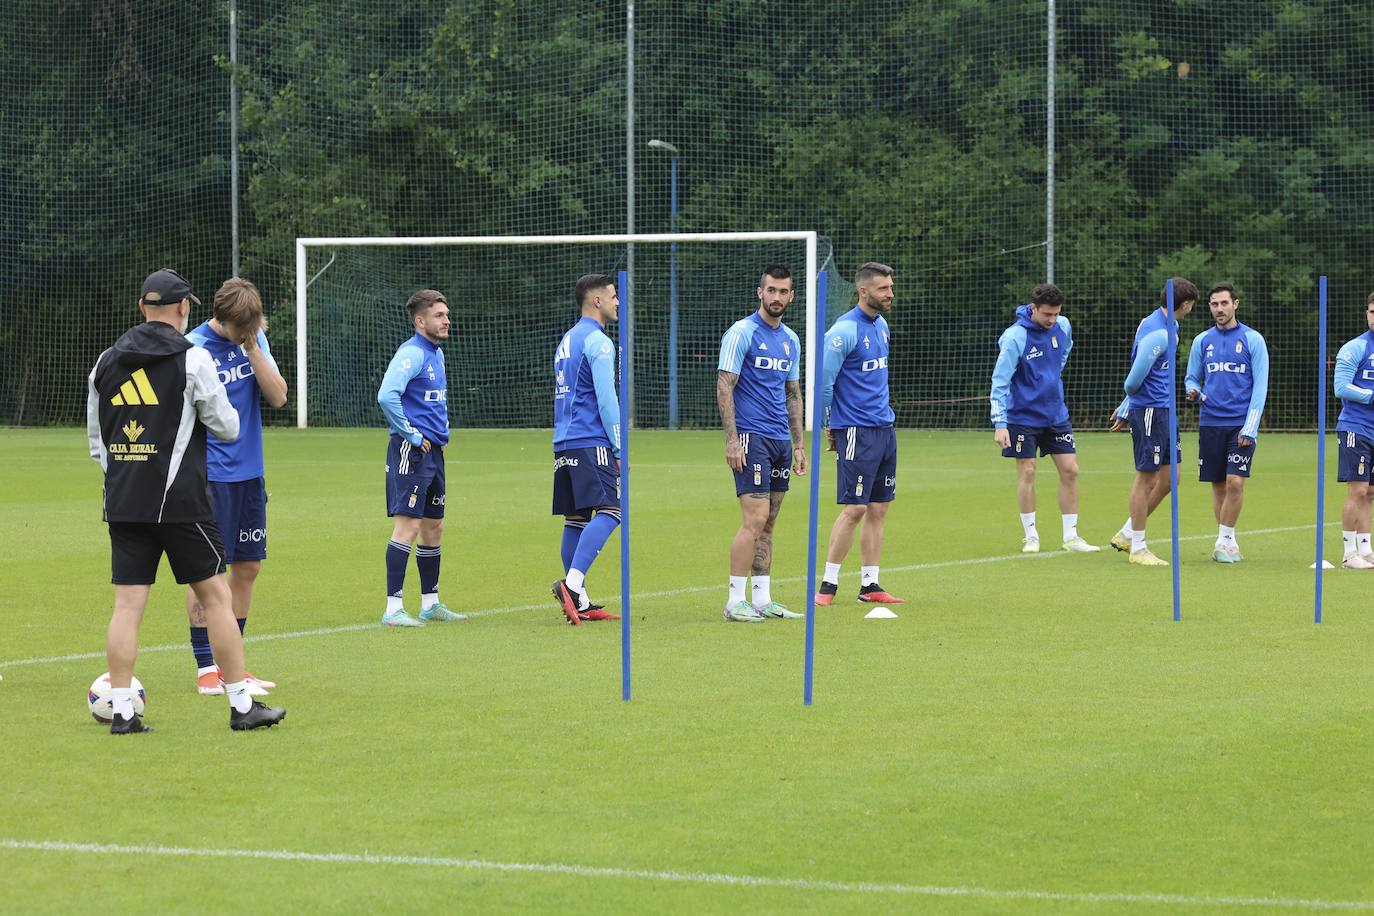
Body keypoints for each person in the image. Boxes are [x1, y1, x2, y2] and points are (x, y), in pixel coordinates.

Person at [86, 268, 285, 733]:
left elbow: (98, 442)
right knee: (217, 598)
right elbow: (228, 427)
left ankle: (122, 712)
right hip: (181, 501)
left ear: (141, 308)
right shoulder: (193, 359)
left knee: (127, 606)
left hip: (124, 501)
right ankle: (240, 706)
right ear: (183, 308)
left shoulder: (105, 361)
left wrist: (127, 476)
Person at [184, 277, 288, 695]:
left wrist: (251, 347)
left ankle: (234, 665)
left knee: (248, 567)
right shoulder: (192, 348)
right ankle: (207, 669)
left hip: (250, 474)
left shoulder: (254, 337)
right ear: (220, 317)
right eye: (240, 329)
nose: (248, 333)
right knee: (208, 574)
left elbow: (279, 396)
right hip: (209, 478)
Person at [716, 265, 808, 622]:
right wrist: (731, 441)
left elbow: (793, 393)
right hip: (750, 437)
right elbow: (725, 385)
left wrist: (798, 445)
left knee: (770, 521)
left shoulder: (791, 340)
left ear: (791, 296)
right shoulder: (742, 332)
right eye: (771, 290)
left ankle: (762, 599)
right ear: (760, 292)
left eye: (783, 292)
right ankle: (734, 601)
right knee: (754, 519)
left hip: (780, 441)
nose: (777, 297)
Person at [814, 262, 904, 607]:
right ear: (863, 290)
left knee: (879, 508)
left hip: (884, 429)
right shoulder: (843, 331)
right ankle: (827, 586)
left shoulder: (881, 326)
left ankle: (870, 585)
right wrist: (829, 425)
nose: (890, 294)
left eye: (891, 287)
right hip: (856, 429)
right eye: (883, 288)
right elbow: (824, 384)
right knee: (855, 507)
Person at [376, 290, 466, 626]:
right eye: (439, 315)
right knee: (408, 526)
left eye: (446, 314)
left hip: (434, 453)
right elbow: (387, 395)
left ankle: (430, 603)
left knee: (434, 527)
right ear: (420, 321)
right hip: (411, 451)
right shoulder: (411, 353)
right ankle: (393, 608)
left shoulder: (436, 354)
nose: (446, 320)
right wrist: (412, 434)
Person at [989, 283, 1099, 554]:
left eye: (1056, 314)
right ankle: (1031, 536)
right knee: (1027, 470)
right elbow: (1000, 381)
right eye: (1047, 314)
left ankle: (1071, 537)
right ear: (1034, 308)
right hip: (1022, 417)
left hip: (1055, 413)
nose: (1052, 320)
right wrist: (1000, 423)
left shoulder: (1063, 325)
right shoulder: (1014, 337)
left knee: (1071, 470)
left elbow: (1063, 353)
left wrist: (1049, 380)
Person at [1107, 277, 1200, 566]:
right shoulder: (1157, 333)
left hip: (1165, 410)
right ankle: (1138, 548)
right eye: (1191, 306)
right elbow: (1133, 381)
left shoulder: (1171, 326)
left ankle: (1126, 532)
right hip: (1149, 411)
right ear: (1185, 304)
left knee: (1171, 478)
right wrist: (1129, 405)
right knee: (1146, 477)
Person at [550, 274, 624, 625]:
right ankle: (573, 584)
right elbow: (607, 399)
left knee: (576, 518)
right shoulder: (599, 342)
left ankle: (579, 601)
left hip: (564, 441)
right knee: (612, 511)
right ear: (596, 301)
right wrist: (619, 447)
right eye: (613, 296)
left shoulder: (567, 339)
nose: (617, 302)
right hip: (590, 439)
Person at [1183, 282, 1269, 563]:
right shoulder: (1202, 341)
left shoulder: (1253, 340)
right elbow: (1191, 377)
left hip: (1240, 424)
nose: (1219, 309)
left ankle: (1225, 540)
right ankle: (1227, 541)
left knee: (1235, 482)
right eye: (1214, 304)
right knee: (1219, 485)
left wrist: (1250, 427)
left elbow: (1260, 388)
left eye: (1224, 303)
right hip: (1210, 423)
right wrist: (1193, 390)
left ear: (1236, 304)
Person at [1332, 292, 1374, 570]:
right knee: (1358, 491)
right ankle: (1349, 553)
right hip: (1356, 427)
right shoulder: (1355, 348)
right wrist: (1371, 396)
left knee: (1371, 492)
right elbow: (1341, 387)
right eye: (1372, 311)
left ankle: (1366, 549)